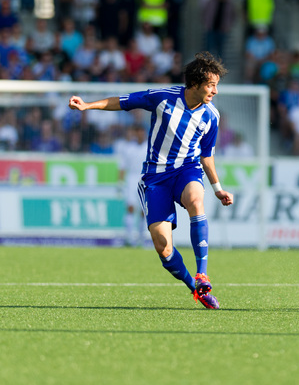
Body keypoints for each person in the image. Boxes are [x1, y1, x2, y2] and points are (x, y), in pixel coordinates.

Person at [68, 51, 234, 309]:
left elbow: (206, 157)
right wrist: (87, 106)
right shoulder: (162, 98)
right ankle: (195, 288)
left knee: (195, 200)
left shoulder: (211, 116)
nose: (215, 90)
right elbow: (122, 102)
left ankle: (203, 274)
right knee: (163, 247)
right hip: (155, 179)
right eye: (211, 85)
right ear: (195, 83)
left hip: (186, 170)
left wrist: (218, 189)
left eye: (216, 85)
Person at [117, 125, 149, 246]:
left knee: (143, 210)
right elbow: (122, 166)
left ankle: (141, 239)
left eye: (142, 132)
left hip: (144, 179)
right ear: (135, 134)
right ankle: (129, 238)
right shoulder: (128, 148)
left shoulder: (149, 147)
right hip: (131, 179)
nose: (140, 134)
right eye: (138, 132)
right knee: (130, 208)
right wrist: (120, 183)